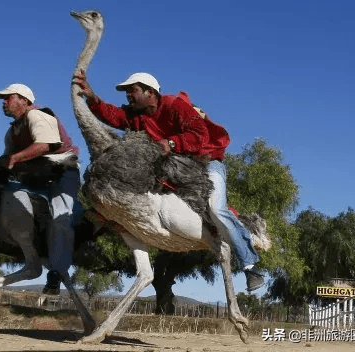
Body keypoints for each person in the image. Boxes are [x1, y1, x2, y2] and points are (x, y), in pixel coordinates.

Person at [73, 71, 264, 292]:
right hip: (171, 166)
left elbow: (199, 134)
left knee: (216, 209)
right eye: (127, 92)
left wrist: (171, 143)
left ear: (150, 92)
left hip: (205, 163)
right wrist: (92, 98)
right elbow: (114, 116)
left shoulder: (174, 105)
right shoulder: (138, 115)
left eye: (132, 90)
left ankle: (250, 265)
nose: (128, 96)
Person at [0, 83, 81, 295]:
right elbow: (8, 161)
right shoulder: (12, 132)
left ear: (24, 101)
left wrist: (14, 158)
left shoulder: (38, 116)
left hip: (63, 172)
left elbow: (45, 145)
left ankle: (56, 274)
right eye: (3, 99)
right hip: (37, 175)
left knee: (61, 218)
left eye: (9, 98)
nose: (4, 102)